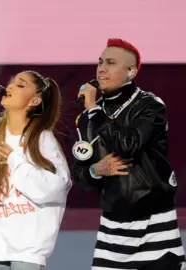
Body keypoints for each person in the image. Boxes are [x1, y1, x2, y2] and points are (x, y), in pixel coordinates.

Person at [72, 38, 185, 269]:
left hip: (155, 224)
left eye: (111, 63)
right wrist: (96, 170)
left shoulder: (150, 106)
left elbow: (128, 145)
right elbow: (80, 172)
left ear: (131, 72)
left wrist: (94, 110)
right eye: (100, 62)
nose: (101, 68)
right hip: (112, 229)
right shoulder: (87, 118)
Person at [0, 71, 71, 270]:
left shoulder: (41, 139)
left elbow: (56, 187)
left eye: (20, 85)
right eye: (11, 83)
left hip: (28, 250)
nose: (9, 87)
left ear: (35, 100)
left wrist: (16, 162)